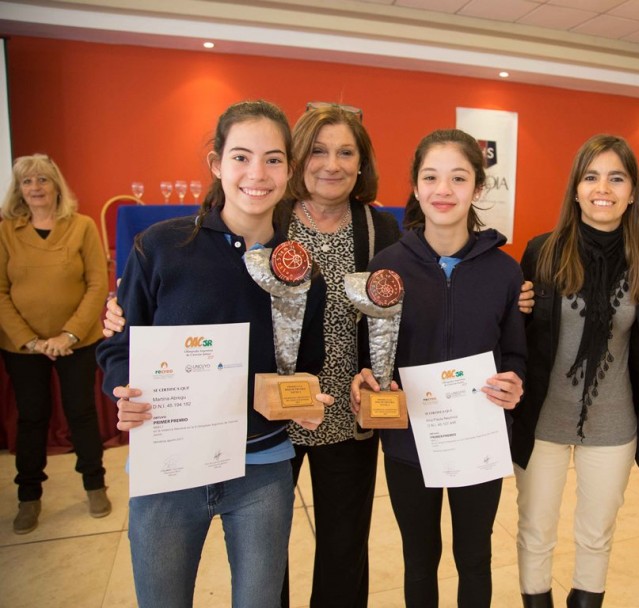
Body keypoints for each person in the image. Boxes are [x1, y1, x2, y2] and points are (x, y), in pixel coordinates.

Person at [102, 103, 535, 608]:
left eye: (347, 152)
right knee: (266, 553)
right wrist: (121, 318)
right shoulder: (269, 213)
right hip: (276, 418)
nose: (332, 164)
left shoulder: (381, 231)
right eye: (319, 151)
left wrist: (514, 294)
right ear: (296, 160)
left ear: (361, 163)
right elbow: (187, 291)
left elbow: (426, 290)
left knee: (342, 546)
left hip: (351, 411)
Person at [96, 100, 330, 608]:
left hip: (263, 469)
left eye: (272, 159)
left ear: (288, 171)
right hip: (170, 467)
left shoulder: (301, 271)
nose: (256, 173)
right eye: (241, 156)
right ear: (216, 164)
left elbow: (307, 367)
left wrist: (305, 400)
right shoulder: (161, 247)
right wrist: (122, 389)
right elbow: (119, 344)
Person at [351, 129, 526, 608]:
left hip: (478, 439)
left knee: (474, 557)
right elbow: (371, 353)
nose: (443, 190)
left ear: (478, 189)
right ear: (414, 184)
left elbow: (514, 354)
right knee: (419, 558)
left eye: (458, 178)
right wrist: (367, 377)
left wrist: (515, 383)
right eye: (431, 177)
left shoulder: (504, 272)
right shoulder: (385, 268)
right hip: (410, 441)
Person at [511, 135, 639, 608]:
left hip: (614, 421)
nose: (603, 188)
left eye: (616, 177)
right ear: (575, 189)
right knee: (536, 528)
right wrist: (514, 308)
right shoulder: (542, 251)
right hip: (543, 417)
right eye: (591, 177)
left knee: (596, 534)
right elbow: (518, 331)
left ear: (632, 192)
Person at [0, 153, 111, 535]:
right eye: (28, 182)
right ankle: (28, 497)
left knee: (82, 413)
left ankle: (95, 486)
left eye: (42, 180)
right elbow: (0, 293)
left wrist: (68, 335)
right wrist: (30, 341)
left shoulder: (80, 227)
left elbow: (98, 284)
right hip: (22, 347)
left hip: (76, 343)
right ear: (19, 189)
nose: (35, 188)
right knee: (32, 419)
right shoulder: (5, 232)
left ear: (56, 185)